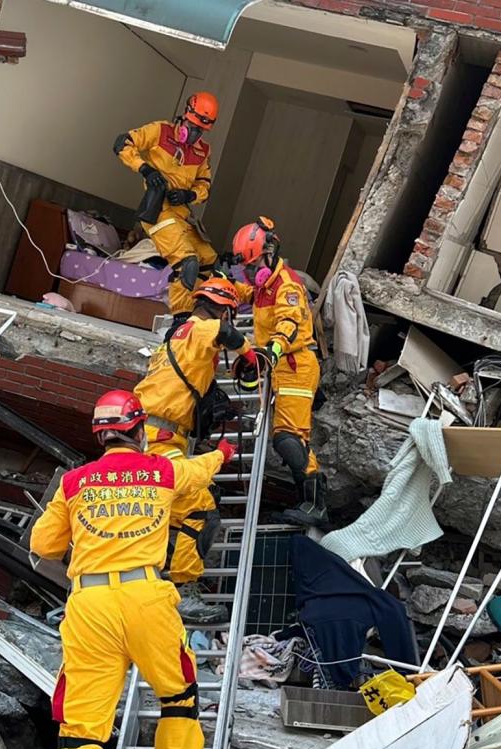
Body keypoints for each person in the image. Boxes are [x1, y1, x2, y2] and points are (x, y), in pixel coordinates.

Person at [29, 389, 236, 749]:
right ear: (139, 430)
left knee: (81, 734)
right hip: (148, 597)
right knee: (179, 695)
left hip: (91, 606)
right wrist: (226, 453)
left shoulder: (74, 483)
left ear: (100, 436)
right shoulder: (161, 472)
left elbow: (42, 547)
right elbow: (199, 471)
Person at [135, 277, 259, 624]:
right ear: (223, 309)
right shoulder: (201, 327)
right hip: (159, 439)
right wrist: (249, 356)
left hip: (152, 434)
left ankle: (158, 582)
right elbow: (226, 335)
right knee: (199, 507)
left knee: (170, 512)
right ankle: (183, 591)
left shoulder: (177, 336)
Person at [230, 216, 328, 526]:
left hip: (295, 364)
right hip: (282, 368)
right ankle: (309, 502)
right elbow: (245, 294)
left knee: (289, 439)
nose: (250, 272)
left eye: (253, 264)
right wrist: (219, 285)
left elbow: (289, 322)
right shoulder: (263, 285)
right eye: (246, 267)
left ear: (270, 253)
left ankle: (315, 505)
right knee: (290, 438)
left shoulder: (287, 286)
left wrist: (270, 351)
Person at [114, 91, 219, 322]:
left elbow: (205, 185)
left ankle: (196, 315)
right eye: (192, 127)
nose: (194, 134)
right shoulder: (160, 131)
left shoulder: (203, 152)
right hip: (158, 212)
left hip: (182, 214)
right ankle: (180, 320)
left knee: (209, 259)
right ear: (185, 116)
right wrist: (145, 169)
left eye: (200, 130)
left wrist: (189, 194)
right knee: (187, 262)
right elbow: (122, 143)